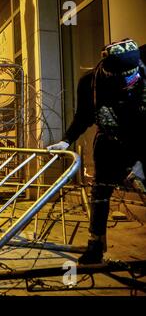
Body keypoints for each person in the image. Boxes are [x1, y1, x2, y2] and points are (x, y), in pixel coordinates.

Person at [47, 39, 146, 264]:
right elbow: (84, 116)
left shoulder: (142, 74)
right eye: (125, 75)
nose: (131, 80)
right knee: (100, 193)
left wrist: (140, 165)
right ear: (110, 71)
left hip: (142, 140)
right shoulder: (91, 83)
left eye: (133, 73)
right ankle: (95, 246)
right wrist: (66, 140)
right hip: (109, 141)